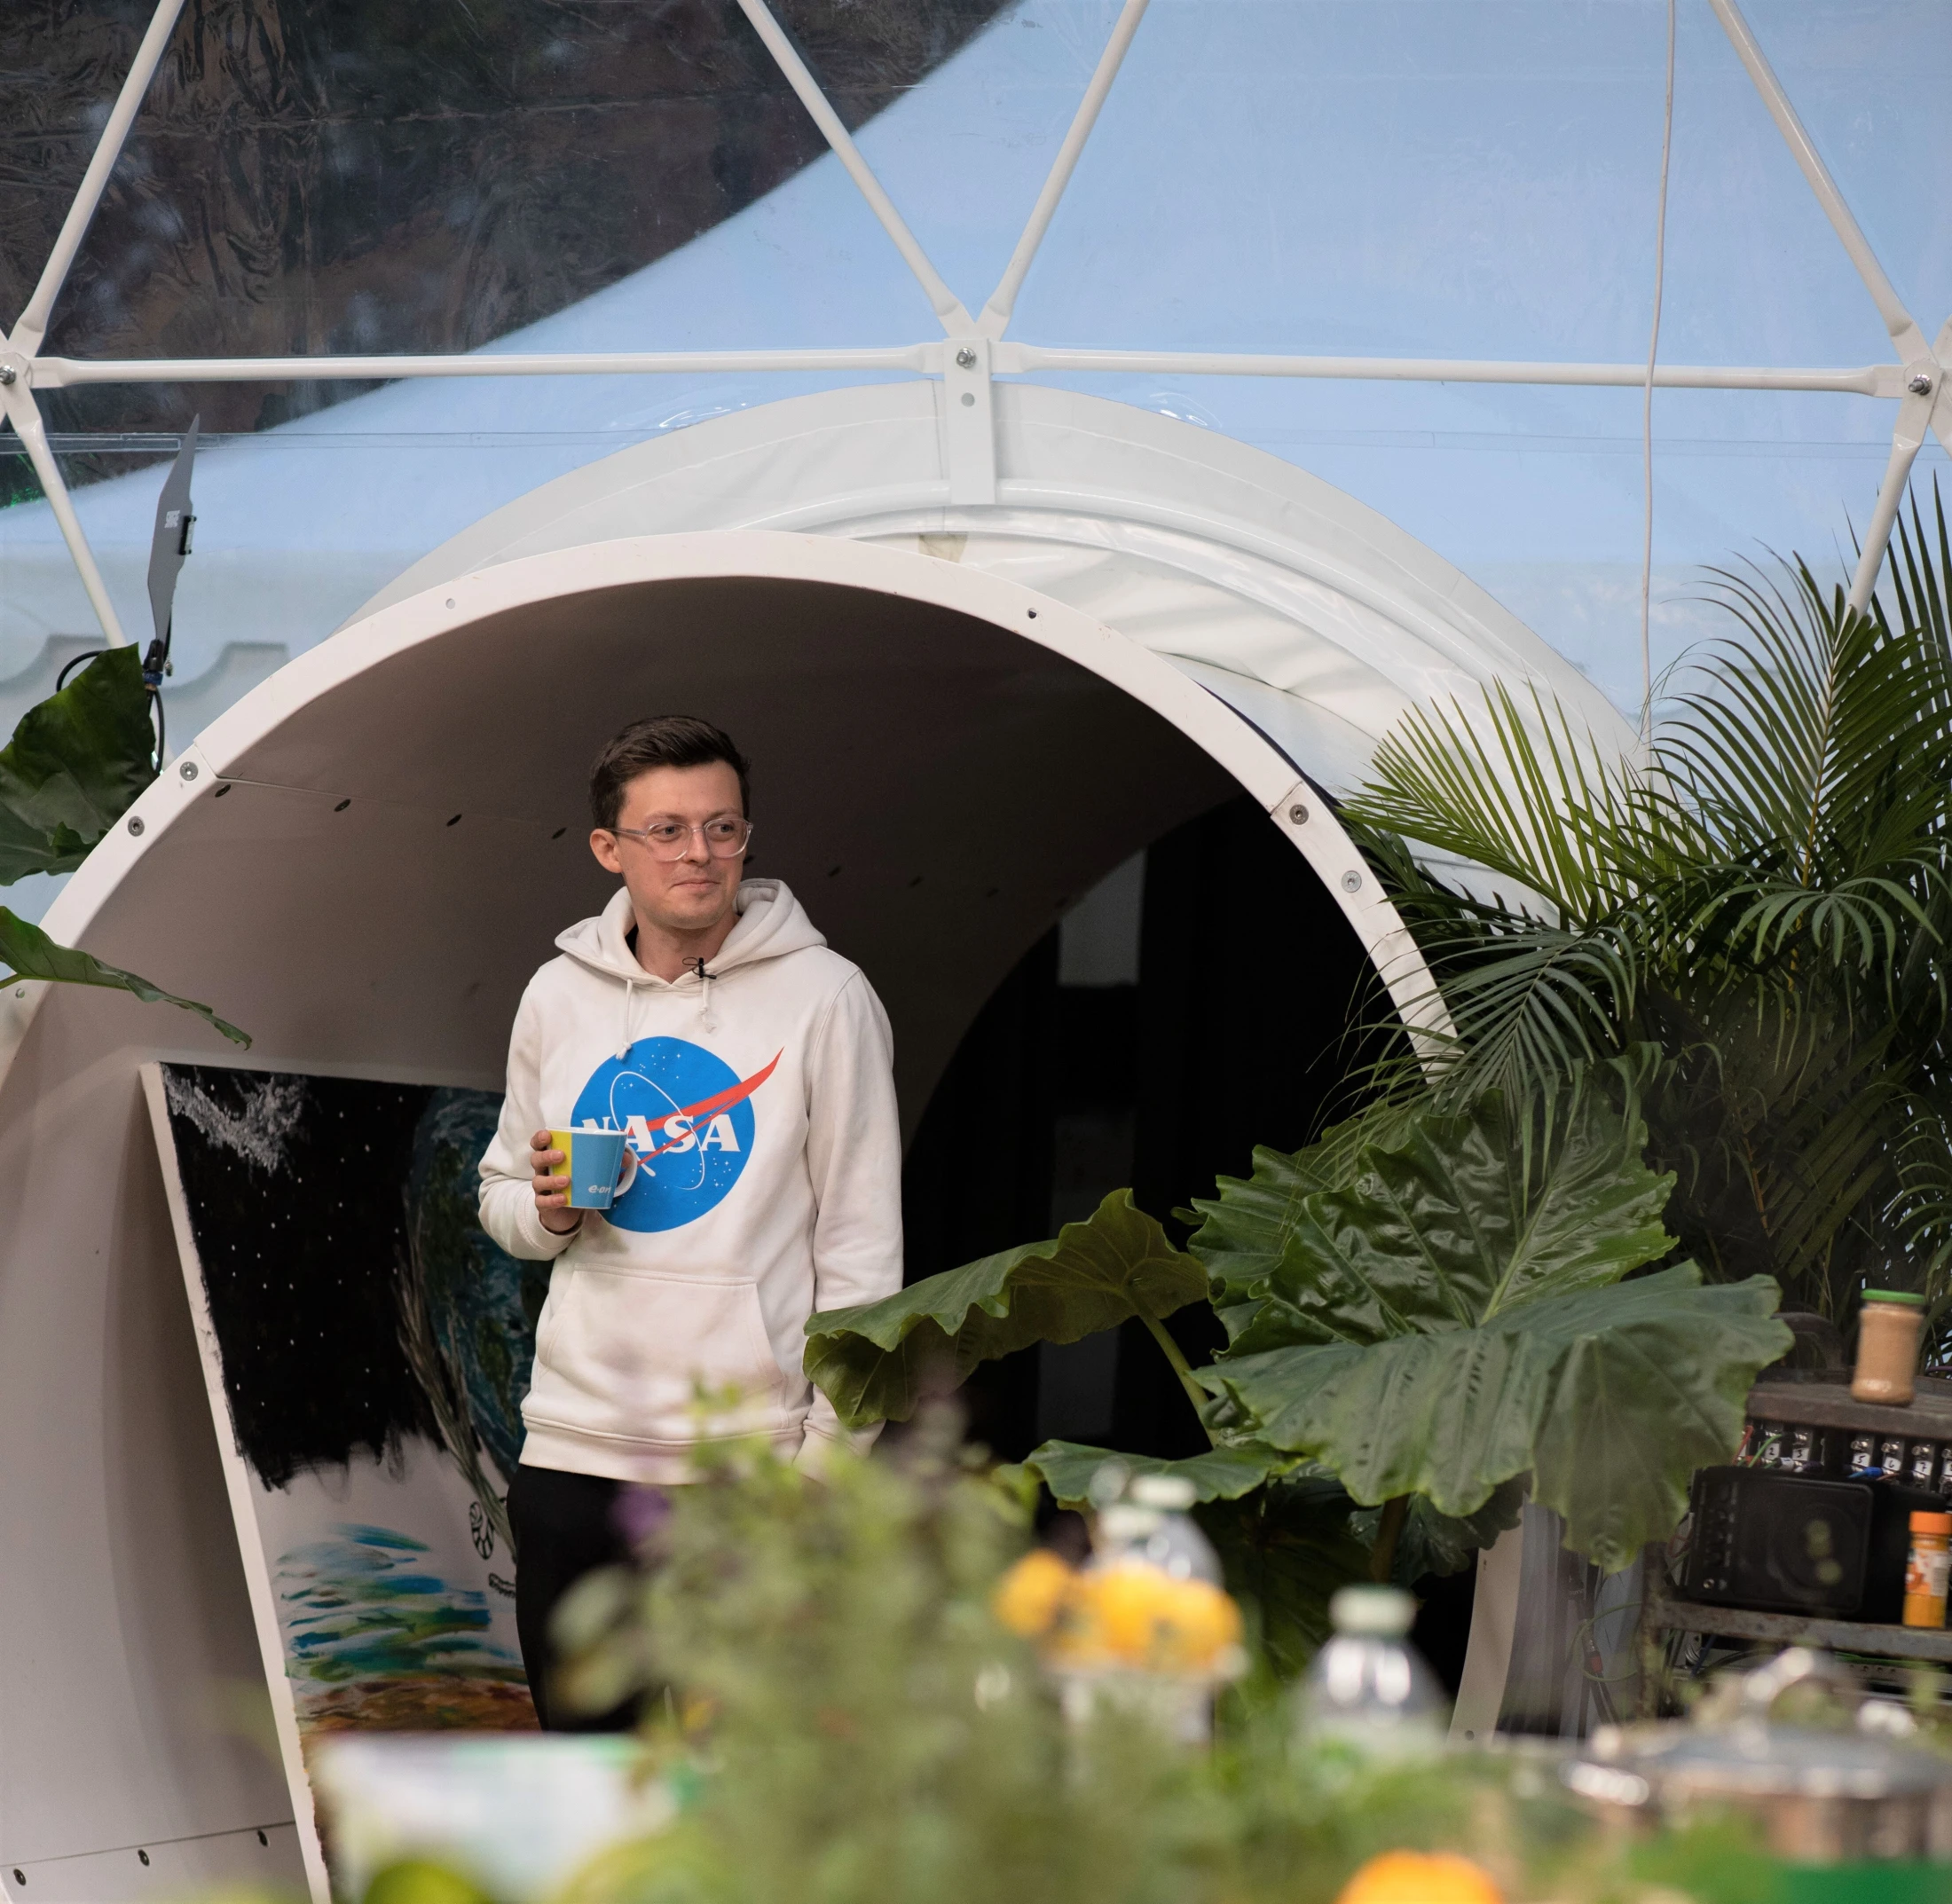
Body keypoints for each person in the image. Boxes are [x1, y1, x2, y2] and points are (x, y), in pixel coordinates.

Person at [478, 714, 902, 1727]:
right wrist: (549, 1214)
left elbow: (862, 1250)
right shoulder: (557, 995)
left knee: (746, 1792)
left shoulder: (828, 998)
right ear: (609, 848)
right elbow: (501, 1196)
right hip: (575, 1456)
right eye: (666, 831)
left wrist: (827, 1468)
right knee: (591, 1784)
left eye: (722, 827)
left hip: (749, 1468)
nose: (698, 853)